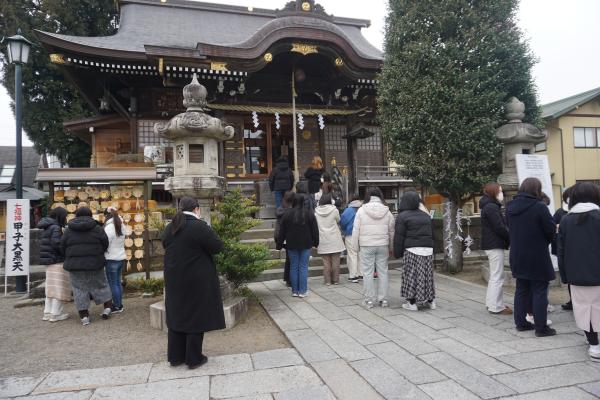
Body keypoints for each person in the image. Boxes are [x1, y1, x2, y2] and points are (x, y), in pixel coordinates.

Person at [161, 197, 225, 369]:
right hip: (197, 279)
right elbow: (217, 247)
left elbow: (165, 244)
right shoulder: (199, 227)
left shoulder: (170, 227)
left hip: (174, 278)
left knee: (177, 314)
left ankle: (175, 357)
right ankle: (194, 358)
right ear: (197, 209)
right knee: (196, 316)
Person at [507, 177, 556, 337]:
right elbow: (550, 230)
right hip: (537, 254)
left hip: (517, 253)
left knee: (521, 289)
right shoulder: (539, 206)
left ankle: (521, 323)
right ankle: (541, 328)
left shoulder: (510, 206)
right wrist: (543, 241)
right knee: (540, 289)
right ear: (537, 189)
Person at [557, 182, 600, 361]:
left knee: (584, 308)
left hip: (577, 273)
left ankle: (594, 344)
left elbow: (561, 250)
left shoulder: (566, 220)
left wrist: (565, 275)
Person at [60, 207, 113, 326]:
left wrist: (70, 255)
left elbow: (62, 246)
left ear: (76, 215)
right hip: (95, 263)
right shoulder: (97, 228)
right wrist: (98, 253)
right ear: (90, 215)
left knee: (79, 289)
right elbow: (105, 243)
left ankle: (84, 316)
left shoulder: (69, 230)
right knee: (101, 285)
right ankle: (107, 308)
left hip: (75, 266)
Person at [352, 187, 395, 309]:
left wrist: (355, 247)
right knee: (383, 272)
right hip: (382, 245)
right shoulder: (387, 211)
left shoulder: (361, 210)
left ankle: (369, 300)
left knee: (367, 272)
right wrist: (391, 247)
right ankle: (384, 299)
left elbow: (356, 230)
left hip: (366, 245)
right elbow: (392, 231)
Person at [394, 191, 435, 311]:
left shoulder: (402, 216)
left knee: (411, 275)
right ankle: (431, 301)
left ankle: (411, 302)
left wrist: (397, 253)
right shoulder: (426, 215)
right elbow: (431, 234)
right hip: (428, 249)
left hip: (412, 249)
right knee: (427, 275)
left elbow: (399, 237)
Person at [277, 193, 319, 297]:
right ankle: (303, 291)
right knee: (303, 267)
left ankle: (295, 291)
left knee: (294, 266)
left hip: (291, 244)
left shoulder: (287, 214)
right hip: (306, 243)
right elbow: (315, 230)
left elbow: (281, 231)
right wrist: (316, 242)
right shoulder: (309, 214)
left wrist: (279, 244)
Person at [479, 183, 512, 315]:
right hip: (494, 244)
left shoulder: (488, 205)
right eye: (500, 191)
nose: (502, 194)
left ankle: (491, 302)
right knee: (497, 276)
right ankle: (496, 306)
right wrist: (510, 237)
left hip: (491, 244)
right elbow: (499, 227)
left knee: (495, 275)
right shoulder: (492, 207)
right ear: (494, 192)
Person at [38, 207, 71, 323]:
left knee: (50, 287)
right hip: (57, 261)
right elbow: (57, 244)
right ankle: (56, 314)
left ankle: (47, 312)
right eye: (65, 216)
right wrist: (66, 252)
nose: (66, 218)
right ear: (60, 216)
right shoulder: (56, 227)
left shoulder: (47, 226)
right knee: (58, 287)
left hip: (49, 261)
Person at [315, 193, 346, 286]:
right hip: (334, 238)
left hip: (323, 238)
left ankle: (327, 281)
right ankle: (335, 280)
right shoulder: (334, 210)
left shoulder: (316, 212)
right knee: (336, 261)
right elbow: (338, 220)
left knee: (326, 262)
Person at [553, 186, 573, 310]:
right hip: (565, 249)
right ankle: (572, 300)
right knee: (571, 279)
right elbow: (551, 224)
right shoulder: (560, 212)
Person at [103, 206, 126, 313]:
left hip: (111, 258)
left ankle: (117, 306)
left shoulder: (109, 228)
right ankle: (119, 304)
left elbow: (106, 243)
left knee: (113, 284)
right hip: (120, 257)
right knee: (117, 282)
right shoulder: (121, 225)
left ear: (107, 216)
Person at [340, 196, 363, 283]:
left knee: (352, 254)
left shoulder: (348, 210)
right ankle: (361, 274)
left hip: (350, 234)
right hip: (361, 234)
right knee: (360, 254)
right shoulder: (362, 208)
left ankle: (353, 275)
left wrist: (344, 230)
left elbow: (343, 222)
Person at [275, 191, 295, 286]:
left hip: (281, 237)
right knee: (291, 259)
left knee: (289, 259)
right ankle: (290, 279)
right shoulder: (290, 212)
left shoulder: (280, 209)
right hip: (288, 237)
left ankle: (288, 278)